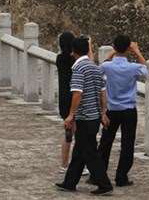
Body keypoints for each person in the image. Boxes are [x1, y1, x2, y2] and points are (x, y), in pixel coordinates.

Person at [56, 36, 114, 195]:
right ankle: (69, 182)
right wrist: (103, 112)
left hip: (84, 117)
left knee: (89, 152)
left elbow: (77, 94)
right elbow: (103, 92)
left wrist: (70, 115)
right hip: (94, 116)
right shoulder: (95, 67)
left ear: (73, 51)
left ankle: (104, 184)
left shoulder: (78, 69)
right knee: (79, 152)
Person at [98, 34, 148, 187]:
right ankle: (121, 177)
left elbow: (101, 66)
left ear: (114, 47)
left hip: (111, 109)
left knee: (106, 142)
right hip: (128, 110)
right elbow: (147, 71)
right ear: (128, 49)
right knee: (128, 144)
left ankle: (99, 173)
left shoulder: (107, 66)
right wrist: (137, 51)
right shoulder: (133, 67)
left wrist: (113, 51)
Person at [56, 31, 89, 174]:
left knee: (68, 133)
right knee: (79, 134)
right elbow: (89, 61)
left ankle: (64, 164)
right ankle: (79, 165)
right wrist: (89, 46)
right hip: (75, 98)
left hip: (63, 100)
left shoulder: (59, 58)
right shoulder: (75, 61)